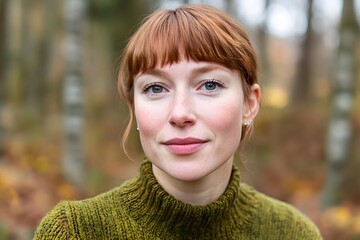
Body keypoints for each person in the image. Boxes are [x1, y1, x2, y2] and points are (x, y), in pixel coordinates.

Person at [34, 4, 322, 239]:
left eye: (209, 85)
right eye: (155, 88)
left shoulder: (293, 233)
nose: (180, 114)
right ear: (134, 108)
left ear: (249, 104)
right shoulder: (73, 232)